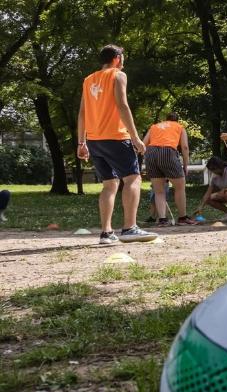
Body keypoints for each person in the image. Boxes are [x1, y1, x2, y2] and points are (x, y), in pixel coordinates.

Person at [76, 44, 157, 244]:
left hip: (95, 140)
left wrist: (81, 142)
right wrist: (136, 137)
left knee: (109, 184)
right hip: (116, 137)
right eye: (123, 57)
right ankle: (130, 228)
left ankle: (106, 233)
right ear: (117, 58)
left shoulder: (88, 80)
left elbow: (82, 113)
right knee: (133, 179)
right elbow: (122, 105)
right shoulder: (119, 75)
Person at [143, 112, 196, 225]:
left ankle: (162, 220)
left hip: (151, 153)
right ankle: (182, 218)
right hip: (167, 151)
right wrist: (186, 165)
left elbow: (143, 144)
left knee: (158, 191)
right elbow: (185, 147)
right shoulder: (179, 127)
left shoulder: (154, 126)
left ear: (166, 119)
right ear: (177, 121)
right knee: (180, 186)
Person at [197, 156, 227, 221]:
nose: (213, 171)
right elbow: (208, 193)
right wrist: (201, 206)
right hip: (224, 192)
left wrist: (226, 189)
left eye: (214, 169)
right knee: (209, 199)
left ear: (220, 166)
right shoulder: (213, 176)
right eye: (211, 169)